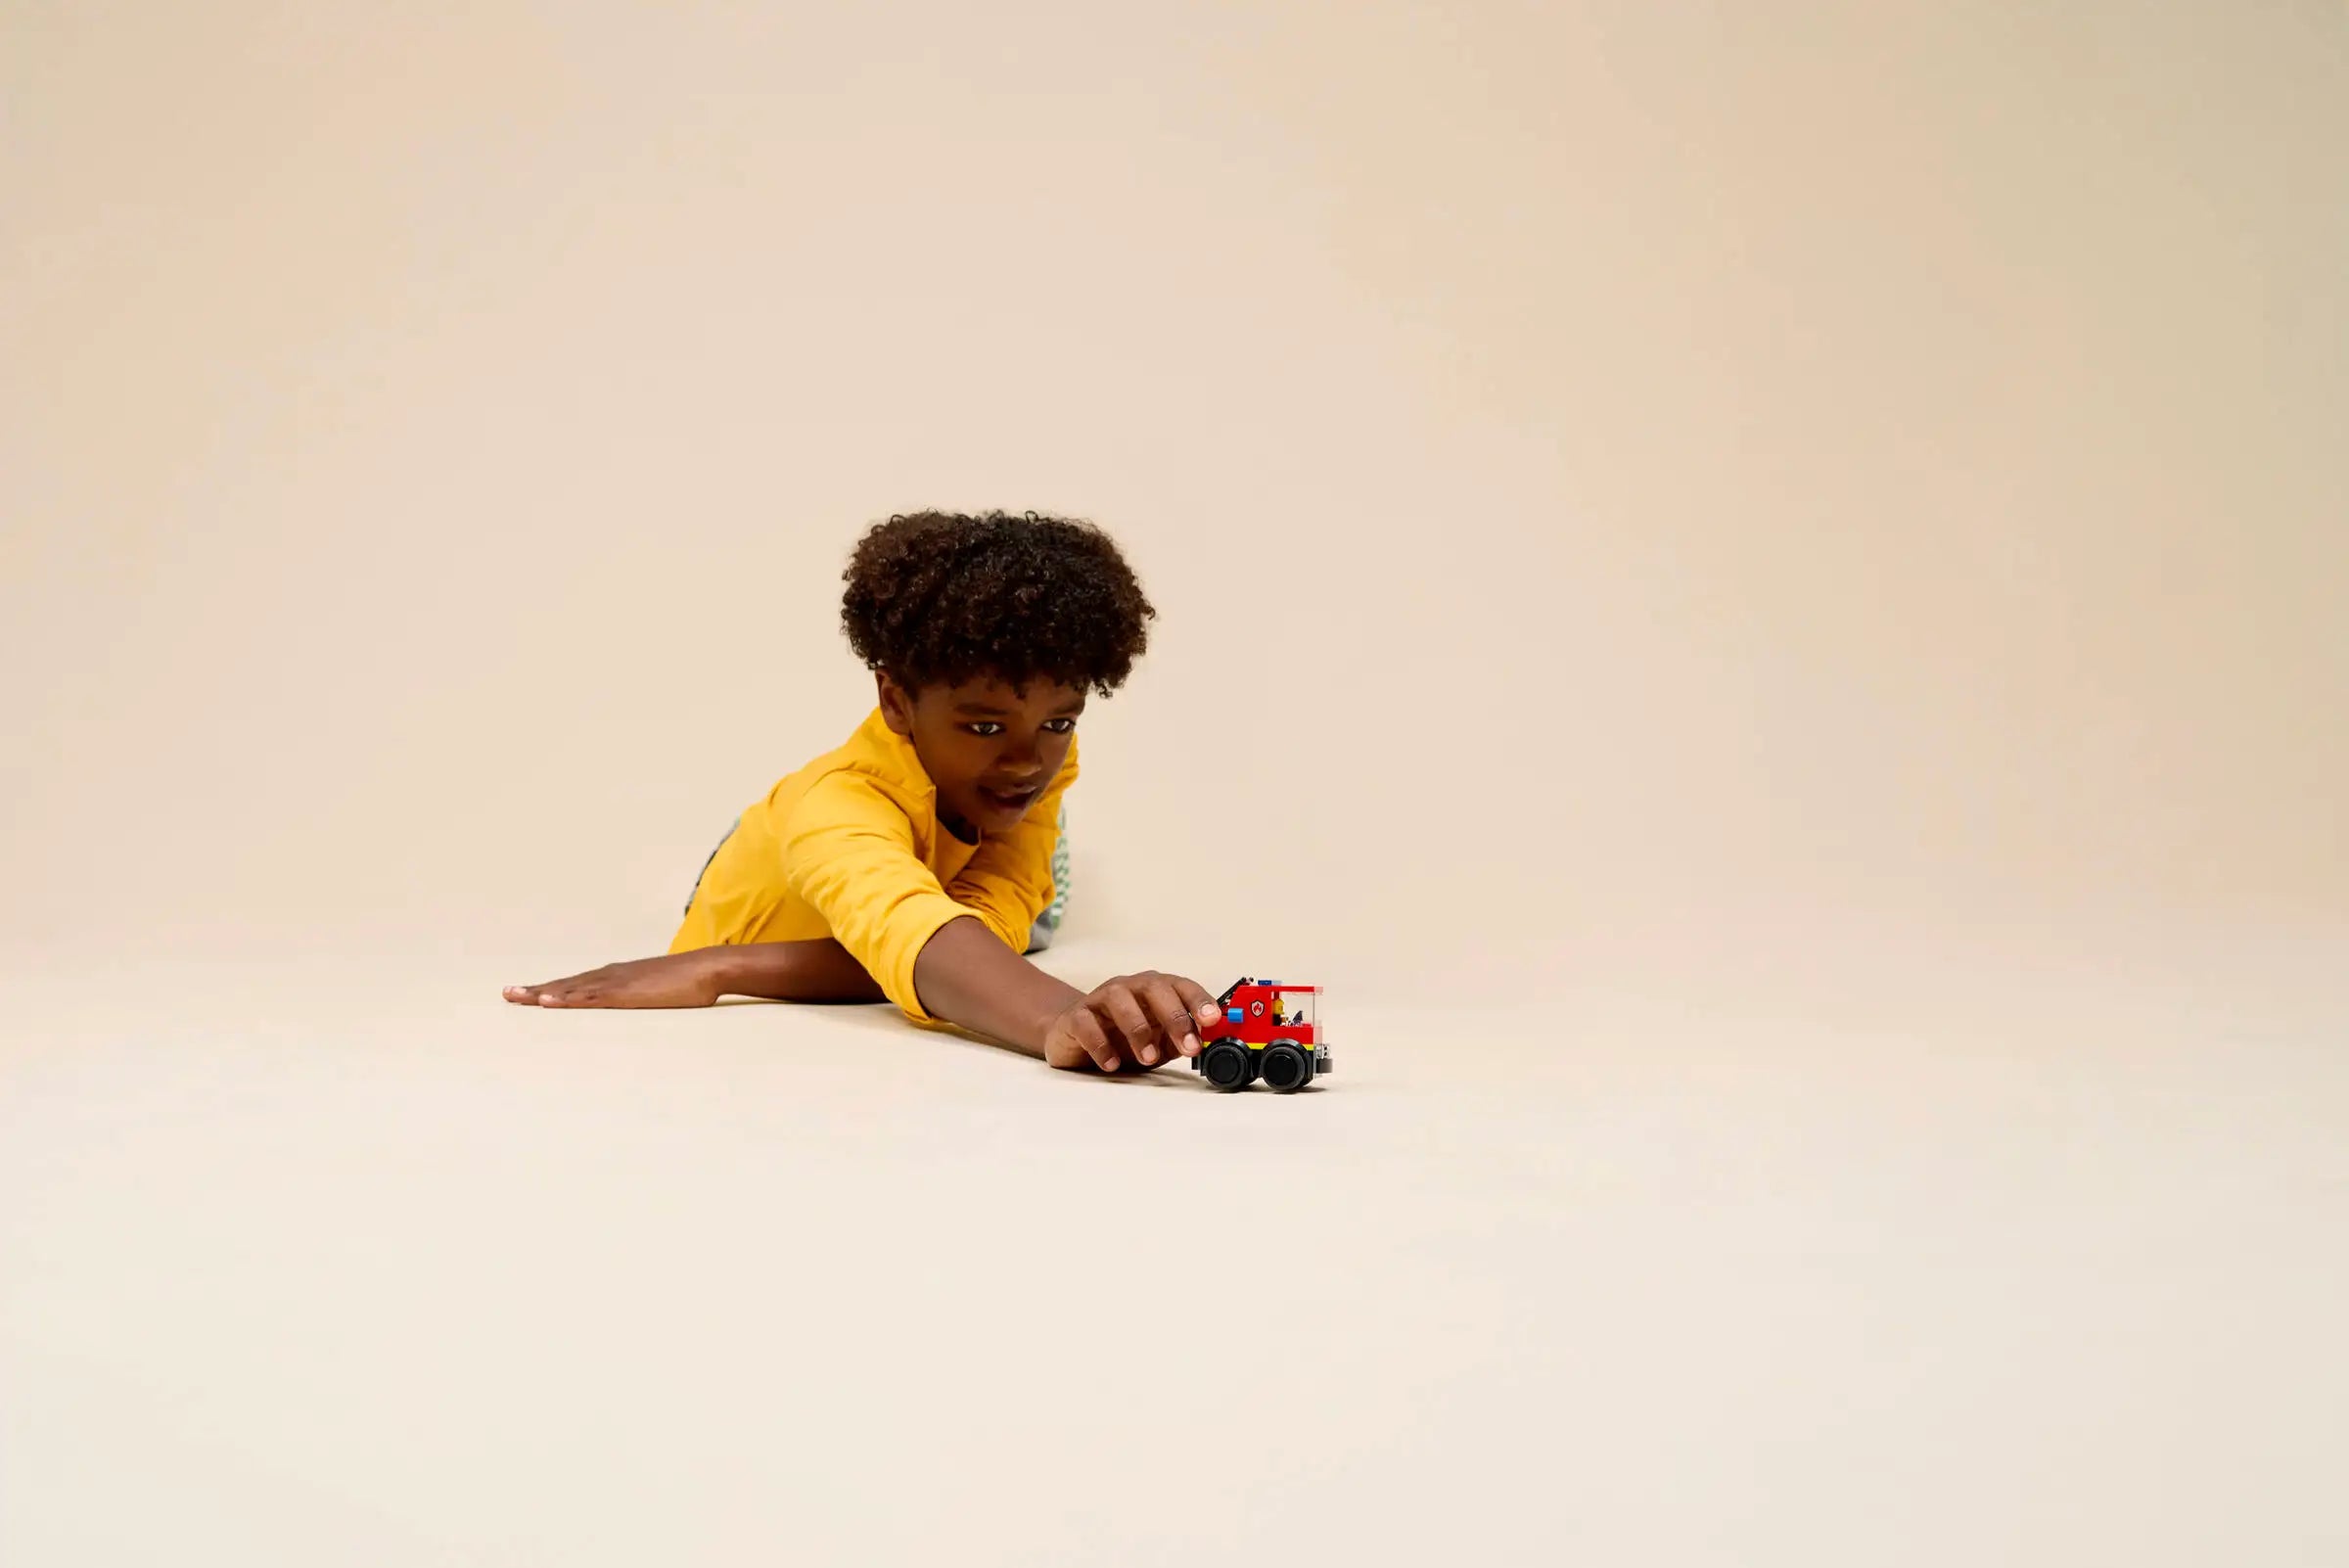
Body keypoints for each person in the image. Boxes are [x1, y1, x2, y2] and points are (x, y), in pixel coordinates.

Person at [502, 510, 1221, 1075]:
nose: (1028, 759)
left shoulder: (1041, 763)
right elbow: (912, 932)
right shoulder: (835, 805)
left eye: (1059, 722)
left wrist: (726, 969)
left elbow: (983, 924)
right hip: (786, 902)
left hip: (910, 896)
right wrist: (1062, 1018)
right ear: (896, 701)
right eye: (984, 725)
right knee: (916, 891)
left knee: (1017, 904)